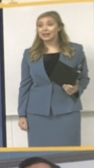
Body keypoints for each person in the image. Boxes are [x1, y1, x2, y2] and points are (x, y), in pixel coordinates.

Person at [18, 10, 88, 147]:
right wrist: (22, 114)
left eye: (49, 24)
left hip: (67, 112)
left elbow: (84, 78)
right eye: (40, 25)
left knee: (69, 153)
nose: (44, 29)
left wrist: (76, 88)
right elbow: (25, 85)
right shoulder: (29, 54)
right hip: (37, 114)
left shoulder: (76, 51)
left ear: (59, 27)